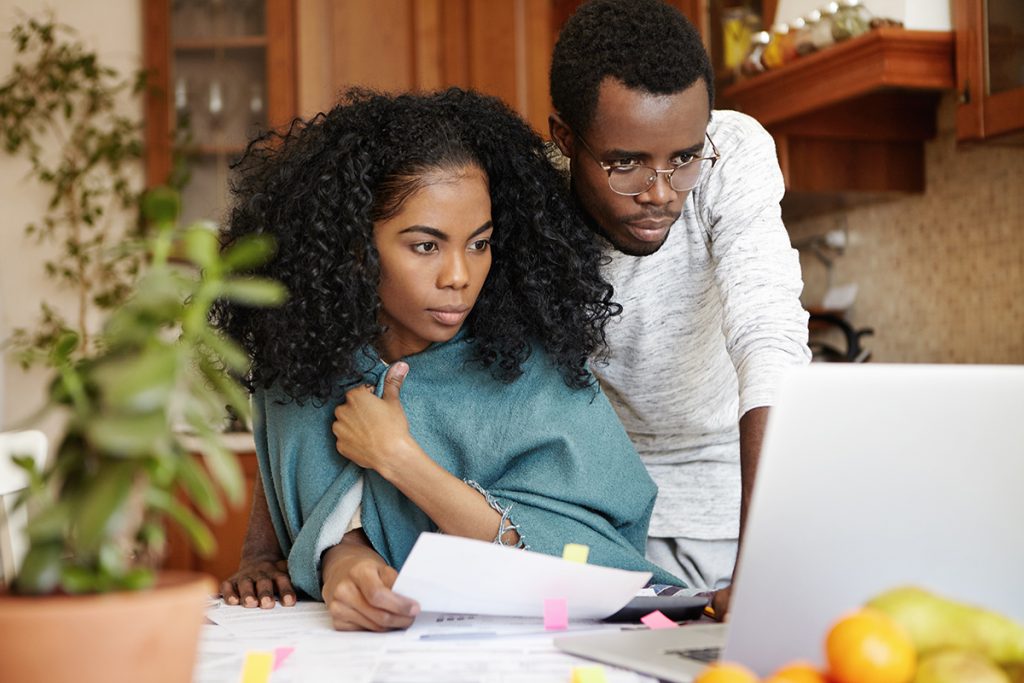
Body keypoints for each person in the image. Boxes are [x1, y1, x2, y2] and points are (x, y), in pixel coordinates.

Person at [214, 88, 682, 630]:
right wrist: (342, 563)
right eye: (425, 246)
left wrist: (398, 457)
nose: (459, 276)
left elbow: (596, 564)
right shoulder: (303, 364)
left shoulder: (536, 376)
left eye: (479, 244)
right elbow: (311, 498)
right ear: (353, 249)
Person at [547, 0, 811, 618]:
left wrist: (764, 559)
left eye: (684, 158)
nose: (661, 193)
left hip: (734, 510)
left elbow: (767, 334)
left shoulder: (735, 151)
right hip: (599, 512)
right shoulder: (531, 194)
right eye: (625, 163)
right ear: (565, 140)